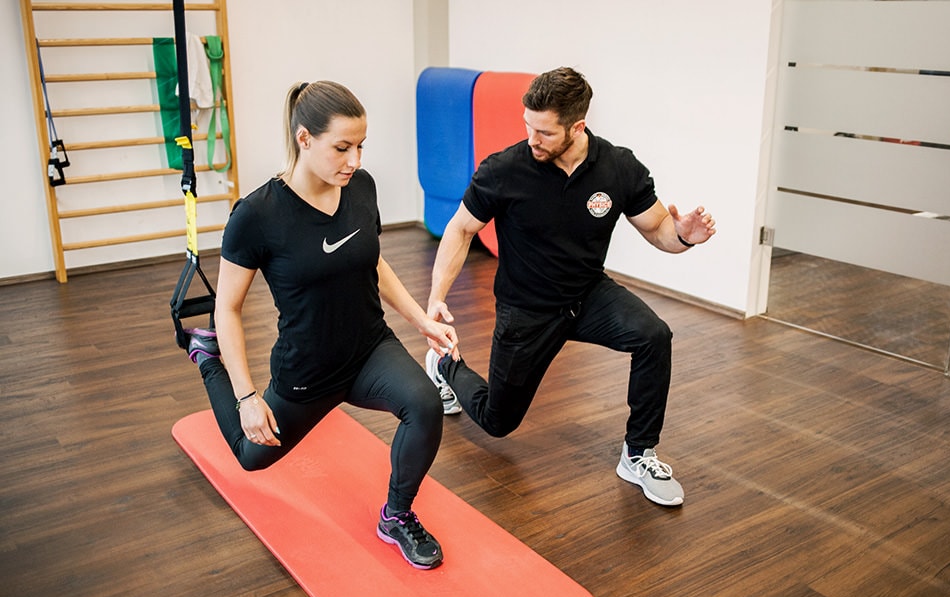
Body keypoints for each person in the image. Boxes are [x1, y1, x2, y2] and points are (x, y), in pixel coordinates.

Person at [184, 80, 457, 569]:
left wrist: (420, 320)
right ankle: (207, 360)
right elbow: (227, 307)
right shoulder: (257, 215)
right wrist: (246, 397)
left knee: (425, 405)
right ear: (304, 138)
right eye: (342, 148)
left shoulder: (361, 188)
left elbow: (373, 262)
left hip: (369, 348)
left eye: (360, 147)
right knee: (251, 458)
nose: (353, 161)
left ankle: (396, 516)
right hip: (307, 369)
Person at [424, 67, 715, 507]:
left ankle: (638, 454)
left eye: (543, 131)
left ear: (577, 126)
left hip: (587, 294)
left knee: (654, 335)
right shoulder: (505, 170)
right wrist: (436, 299)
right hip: (527, 308)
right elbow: (461, 230)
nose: (532, 139)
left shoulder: (618, 167)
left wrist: (685, 238)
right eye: (528, 126)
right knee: (497, 421)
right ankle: (445, 367)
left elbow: (658, 228)